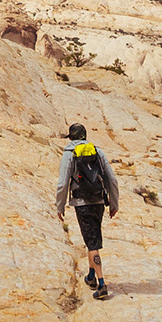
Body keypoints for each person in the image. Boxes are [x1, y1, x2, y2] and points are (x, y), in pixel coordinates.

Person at [55, 123, 119, 300]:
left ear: (72, 137)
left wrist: (59, 207)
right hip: (99, 201)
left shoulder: (69, 154)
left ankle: (101, 283)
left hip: (82, 203)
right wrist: (114, 203)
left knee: (92, 244)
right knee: (93, 236)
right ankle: (91, 276)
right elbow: (112, 179)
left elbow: (63, 183)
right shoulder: (97, 152)